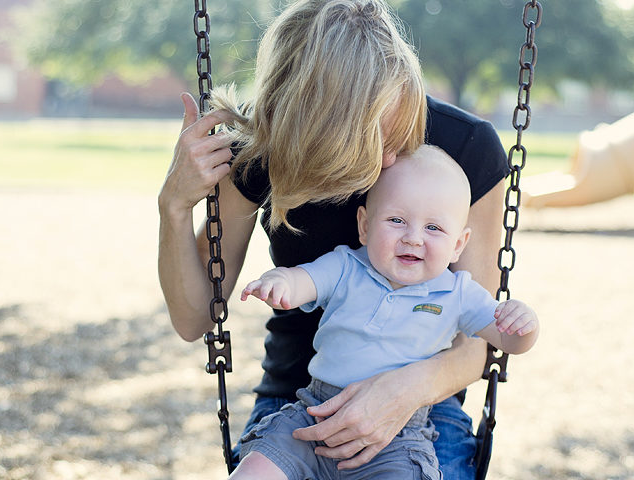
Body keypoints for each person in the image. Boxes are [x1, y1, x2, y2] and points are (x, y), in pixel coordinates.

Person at [158, 0, 511, 477]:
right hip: (301, 395)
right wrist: (175, 208)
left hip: (424, 402)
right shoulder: (266, 145)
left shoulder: (466, 149)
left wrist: (400, 393)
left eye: (400, 128)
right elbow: (194, 318)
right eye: (370, 139)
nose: (391, 160)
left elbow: (480, 342)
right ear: (314, 123)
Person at [231, 145, 539, 480]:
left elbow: (508, 341)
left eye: (433, 228)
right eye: (396, 220)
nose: (413, 238)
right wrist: (281, 283)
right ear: (364, 226)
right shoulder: (346, 265)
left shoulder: (458, 293)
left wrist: (523, 324)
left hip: (396, 438)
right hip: (313, 414)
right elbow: (304, 280)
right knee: (256, 470)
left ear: (458, 244)